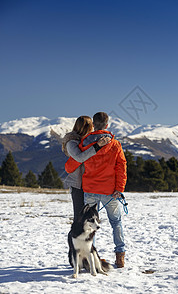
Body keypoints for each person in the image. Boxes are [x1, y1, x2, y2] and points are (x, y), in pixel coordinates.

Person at [66, 112, 127, 268]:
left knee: (89, 225)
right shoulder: (115, 144)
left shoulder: (85, 143)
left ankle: (90, 256)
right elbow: (121, 167)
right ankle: (120, 256)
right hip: (110, 191)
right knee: (116, 222)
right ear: (106, 125)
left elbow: (72, 164)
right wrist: (119, 188)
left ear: (94, 124)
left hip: (90, 189)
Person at [61, 115, 110, 221]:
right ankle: (76, 237)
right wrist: (97, 146)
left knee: (92, 217)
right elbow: (79, 157)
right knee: (79, 216)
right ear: (86, 127)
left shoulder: (88, 140)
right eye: (91, 125)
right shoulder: (72, 142)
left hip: (91, 182)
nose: (93, 127)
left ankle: (90, 237)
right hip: (78, 184)